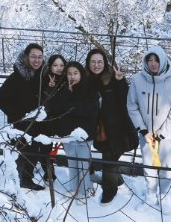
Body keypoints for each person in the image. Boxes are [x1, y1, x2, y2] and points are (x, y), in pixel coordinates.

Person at [127, 45, 171, 215]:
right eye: (150, 60)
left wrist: (161, 135)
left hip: (167, 136)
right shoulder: (138, 79)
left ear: (163, 60)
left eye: (157, 60)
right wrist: (144, 131)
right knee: (148, 165)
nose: (153, 64)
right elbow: (132, 105)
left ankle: (163, 196)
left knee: (166, 166)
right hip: (146, 135)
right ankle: (151, 195)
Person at [85, 49, 139, 206]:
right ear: (88, 63)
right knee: (108, 155)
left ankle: (110, 191)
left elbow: (125, 98)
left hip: (116, 127)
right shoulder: (86, 80)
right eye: (93, 62)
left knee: (109, 156)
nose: (96, 65)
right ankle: (117, 179)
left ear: (105, 63)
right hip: (98, 127)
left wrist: (121, 81)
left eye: (100, 62)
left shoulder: (113, 78)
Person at [0, 43, 46, 191]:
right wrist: (18, 116)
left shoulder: (42, 75)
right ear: (26, 57)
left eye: (39, 57)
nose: (36, 60)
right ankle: (19, 183)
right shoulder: (17, 77)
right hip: (21, 125)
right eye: (33, 57)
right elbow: (1, 98)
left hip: (39, 123)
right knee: (22, 153)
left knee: (33, 153)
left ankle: (26, 179)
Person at [50, 61, 99, 205]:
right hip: (67, 133)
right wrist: (66, 93)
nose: (72, 76)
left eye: (75, 73)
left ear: (81, 74)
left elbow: (93, 110)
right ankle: (73, 188)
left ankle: (84, 190)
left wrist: (72, 106)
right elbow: (57, 109)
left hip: (84, 133)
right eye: (69, 73)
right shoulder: (63, 88)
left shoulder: (90, 88)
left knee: (83, 164)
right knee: (72, 162)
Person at [40, 54, 67, 182]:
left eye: (61, 65)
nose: (59, 68)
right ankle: (48, 171)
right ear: (50, 66)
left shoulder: (68, 79)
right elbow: (45, 103)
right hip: (49, 119)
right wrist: (50, 88)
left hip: (64, 118)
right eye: (55, 65)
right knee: (46, 146)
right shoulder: (44, 80)